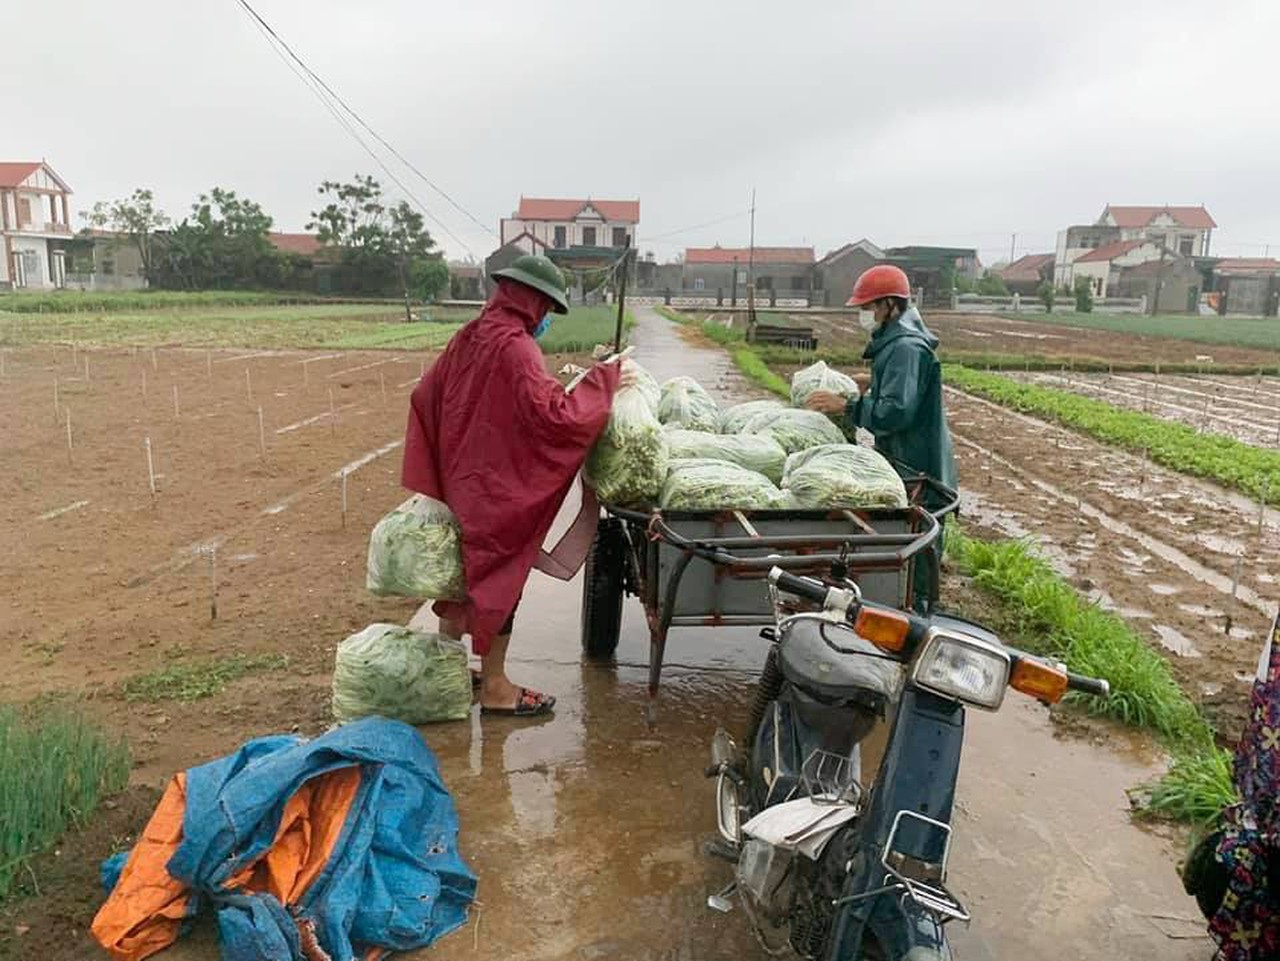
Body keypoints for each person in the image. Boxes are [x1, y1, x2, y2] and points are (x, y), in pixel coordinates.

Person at [402, 254, 625, 717]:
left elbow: (426, 394)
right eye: (545, 307)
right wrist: (603, 383)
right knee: (502, 578)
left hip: (463, 478)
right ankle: (497, 688)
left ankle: (455, 671)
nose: (544, 317)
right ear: (535, 301)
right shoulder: (516, 348)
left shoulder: (471, 334)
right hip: (496, 488)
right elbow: (555, 417)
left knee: (462, 575)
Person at [805, 264, 957, 610]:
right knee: (907, 543)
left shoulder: (905, 347)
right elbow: (897, 392)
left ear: (890, 305)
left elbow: (896, 412)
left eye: (868, 307)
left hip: (919, 466)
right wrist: (870, 384)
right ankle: (906, 608)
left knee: (917, 551)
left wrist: (848, 405)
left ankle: (917, 617)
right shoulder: (897, 340)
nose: (864, 314)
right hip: (909, 460)